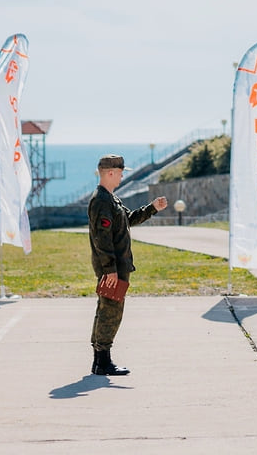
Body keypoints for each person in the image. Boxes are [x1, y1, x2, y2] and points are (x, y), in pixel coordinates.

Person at [89, 154, 168, 375]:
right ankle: (102, 362)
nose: (123, 176)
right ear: (110, 172)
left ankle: (99, 361)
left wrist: (151, 208)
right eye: (121, 172)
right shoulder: (102, 201)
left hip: (116, 267)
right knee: (111, 312)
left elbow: (128, 220)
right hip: (113, 269)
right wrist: (110, 270)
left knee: (106, 310)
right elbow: (101, 239)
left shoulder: (110, 199)